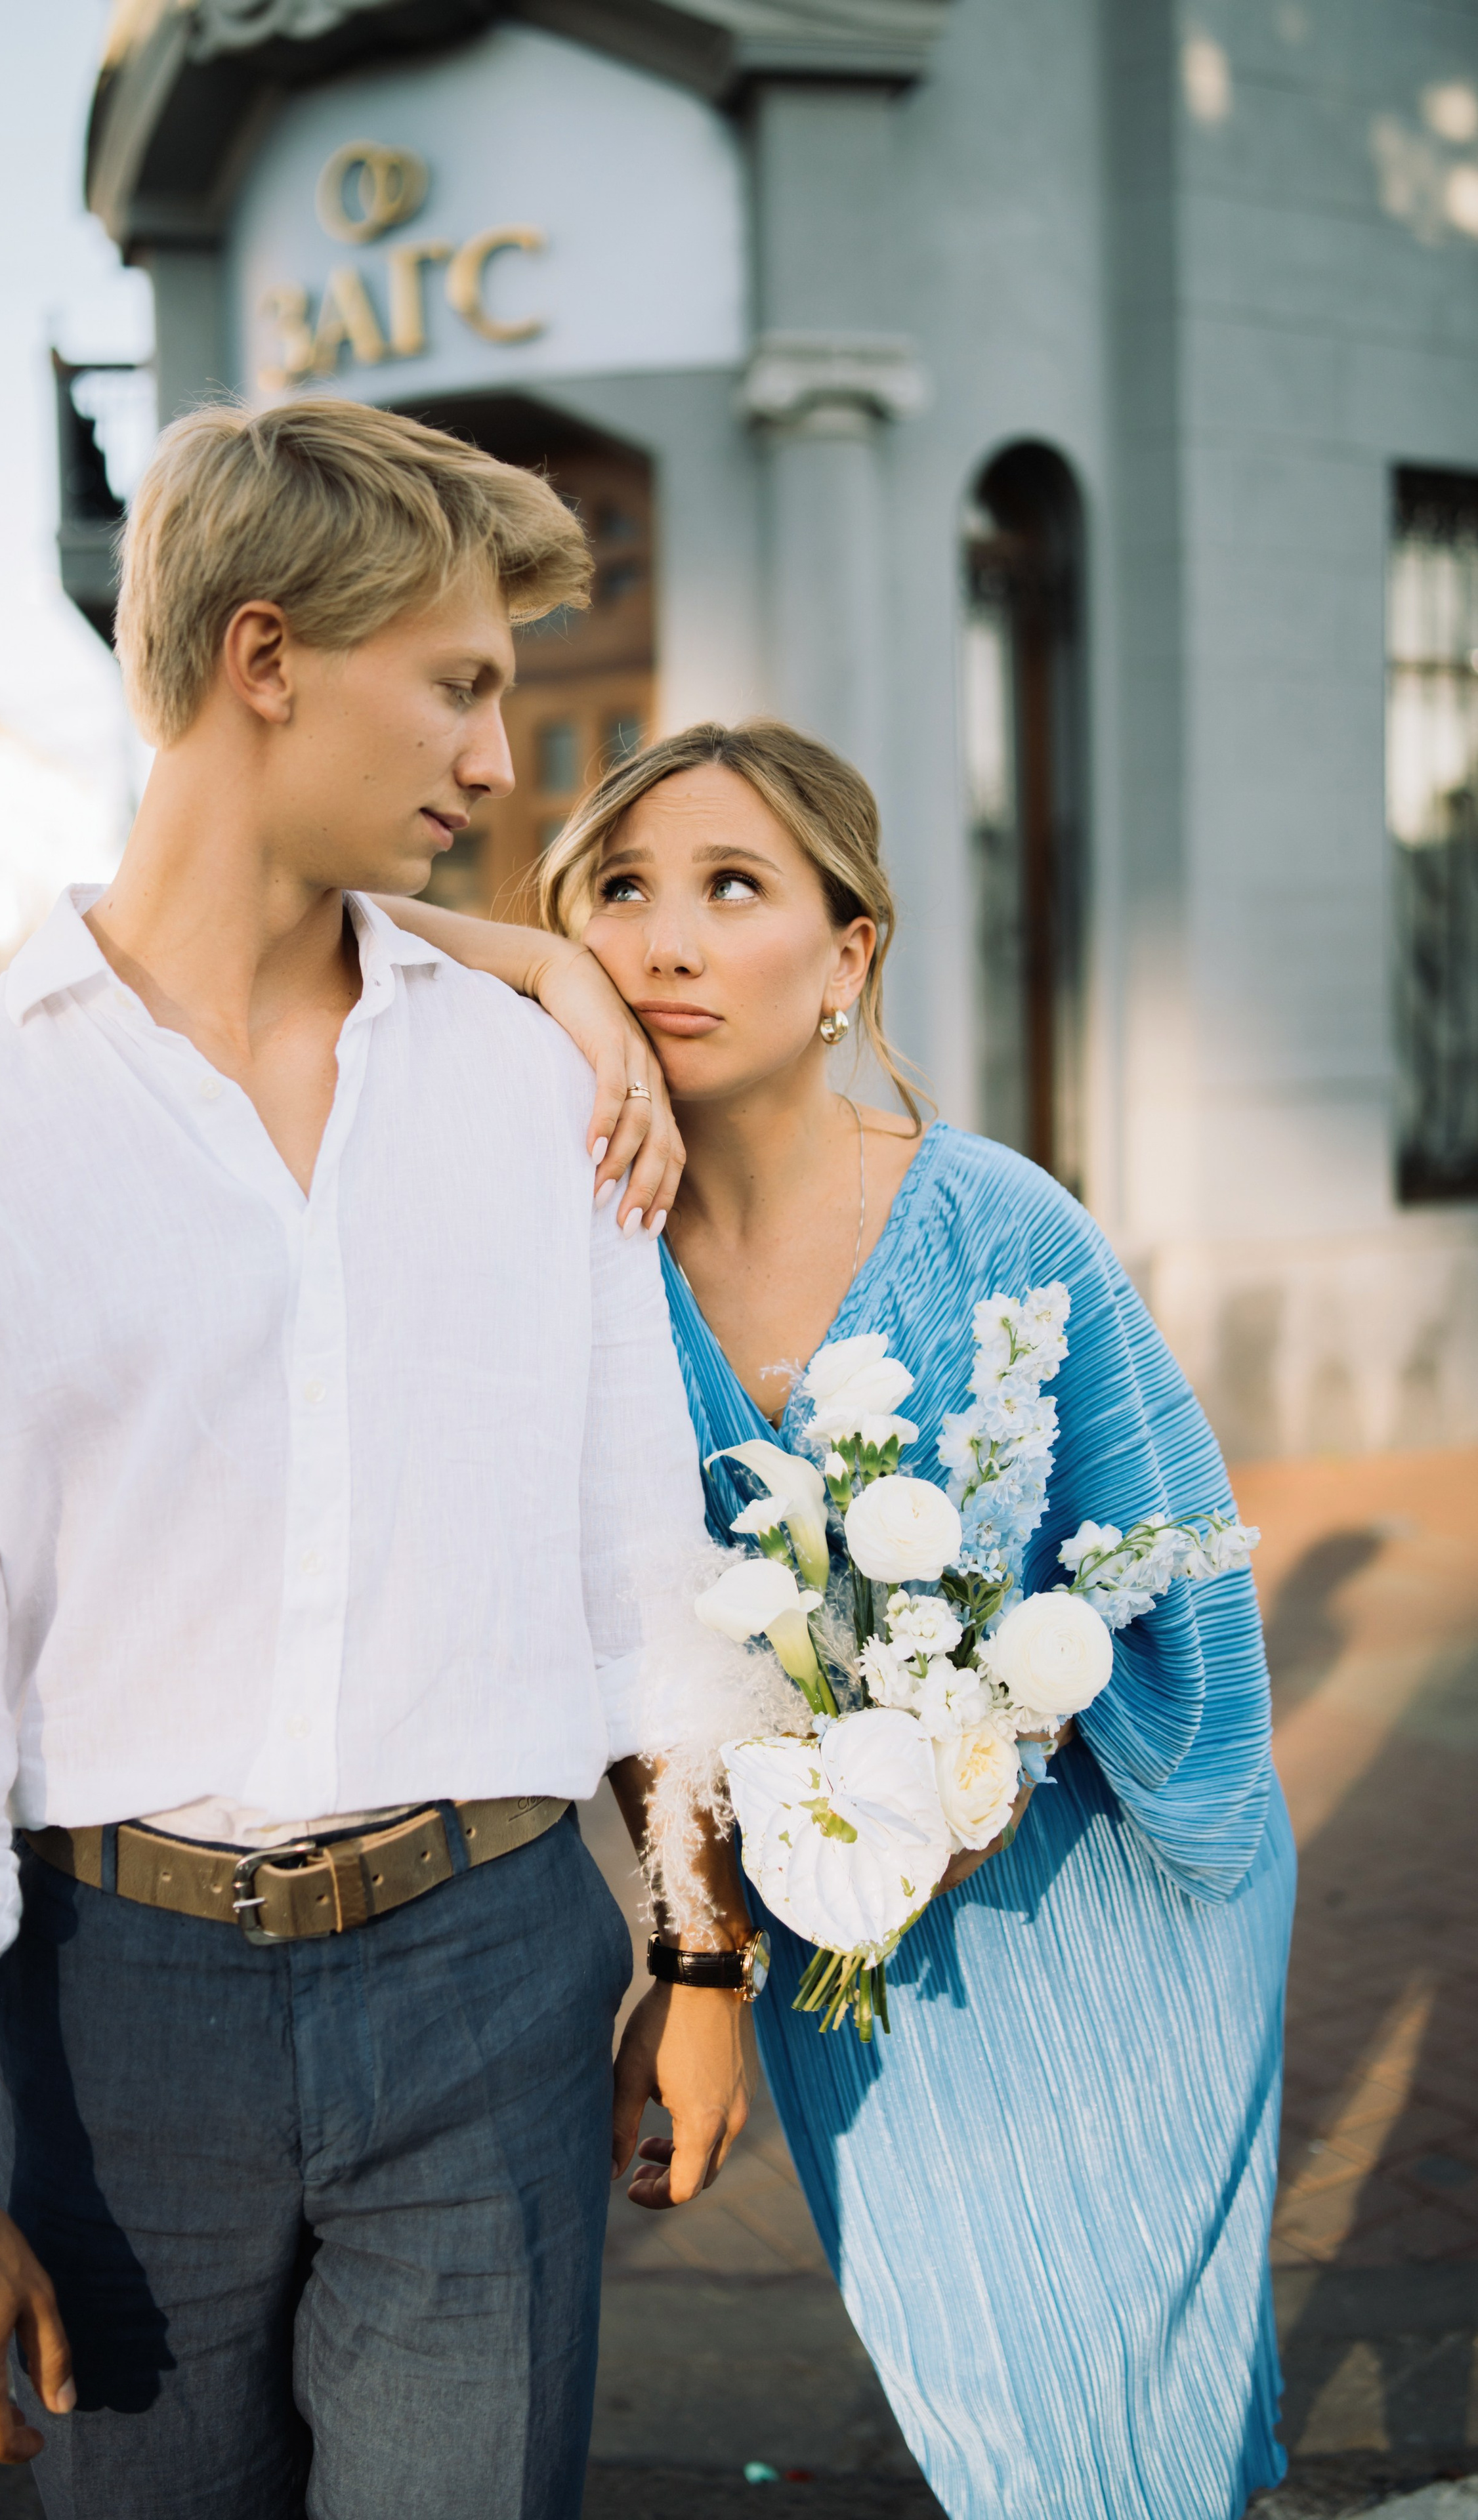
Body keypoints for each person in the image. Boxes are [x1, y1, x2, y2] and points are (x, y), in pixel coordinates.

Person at [0, 404, 766, 2520]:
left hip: (495, 1970)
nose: (501, 765)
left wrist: (699, 1955)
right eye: (462, 684)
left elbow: (646, 1564)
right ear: (264, 660)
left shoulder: (541, 1085)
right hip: (118, 2021)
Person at [385, 717, 1297, 2520]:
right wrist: (708, 1945)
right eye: (622, 899)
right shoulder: (586, 1261)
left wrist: (986, 1753)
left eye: (736, 889)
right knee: (971, 2361)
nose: (668, 944)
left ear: (848, 954)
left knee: (1129, 2384)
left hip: (1099, 1902)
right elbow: (320, 913)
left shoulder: (1000, 1228)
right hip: (832, 1944)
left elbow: (1172, 1560)